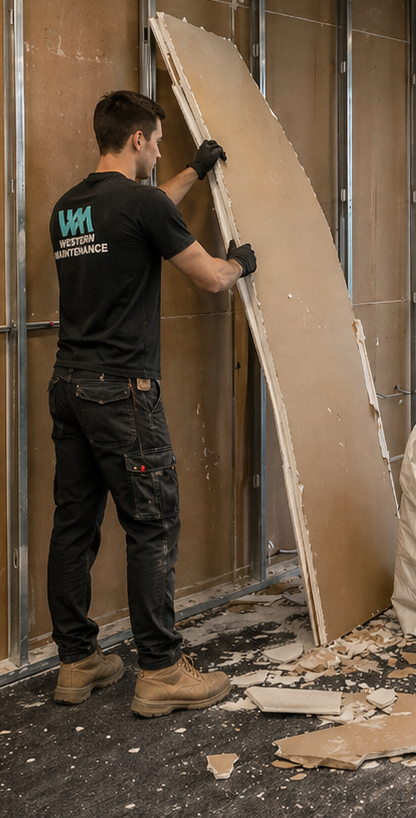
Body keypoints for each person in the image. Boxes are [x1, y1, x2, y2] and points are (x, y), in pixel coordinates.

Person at [48, 90, 256, 717]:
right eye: (159, 141)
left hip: (70, 385)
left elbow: (149, 208)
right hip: (122, 392)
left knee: (74, 524)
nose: (160, 149)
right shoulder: (139, 204)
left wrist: (197, 167)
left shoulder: (69, 208)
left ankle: (77, 660)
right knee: (152, 522)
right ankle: (162, 670)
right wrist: (241, 263)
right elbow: (211, 277)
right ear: (138, 138)